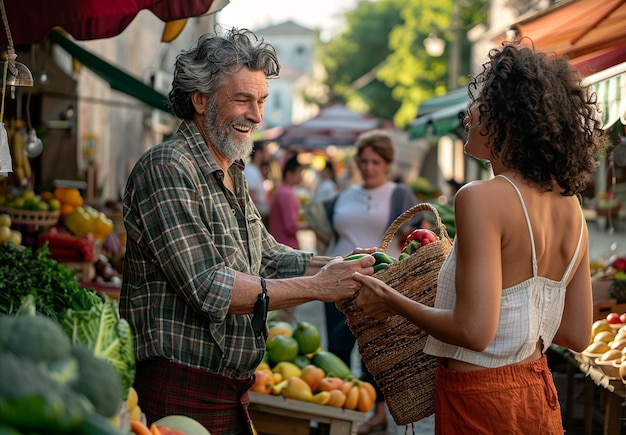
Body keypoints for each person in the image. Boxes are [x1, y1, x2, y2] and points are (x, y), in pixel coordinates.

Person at [119, 27, 376, 435]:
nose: (256, 115)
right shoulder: (167, 167)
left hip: (230, 391)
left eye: (260, 101)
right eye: (242, 99)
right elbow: (209, 287)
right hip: (179, 387)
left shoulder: (232, 169)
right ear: (200, 100)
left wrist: (348, 266)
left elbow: (268, 257)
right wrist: (319, 288)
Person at [353, 40, 604, 434]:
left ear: (509, 117)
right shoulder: (570, 205)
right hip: (536, 395)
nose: (469, 113)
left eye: (481, 102)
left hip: (480, 404)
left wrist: (390, 299)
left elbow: (473, 331)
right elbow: (577, 333)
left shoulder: (480, 198)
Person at [320, 129, 425, 434]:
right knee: (336, 349)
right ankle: (336, 410)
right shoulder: (344, 194)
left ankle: (378, 413)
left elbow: (415, 237)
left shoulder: (399, 194)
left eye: (375, 162)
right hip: (337, 279)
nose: (368, 167)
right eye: (364, 161)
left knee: (375, 353)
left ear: (387, 163)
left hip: (377, 282)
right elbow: (330, 232)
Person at [268, 153, 307, 250]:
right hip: (286, 247)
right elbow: (291, 227)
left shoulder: (282, 190)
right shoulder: (286, 194)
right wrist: (312, 225)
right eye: (299, 173)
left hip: (282, 244)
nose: (301, 177)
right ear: (289, 174)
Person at [244, 141, 271, 226]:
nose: (268, 154)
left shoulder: (254, 170)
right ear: (259, 153)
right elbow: (252, 198)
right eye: (266, 151)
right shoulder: (251, 171)